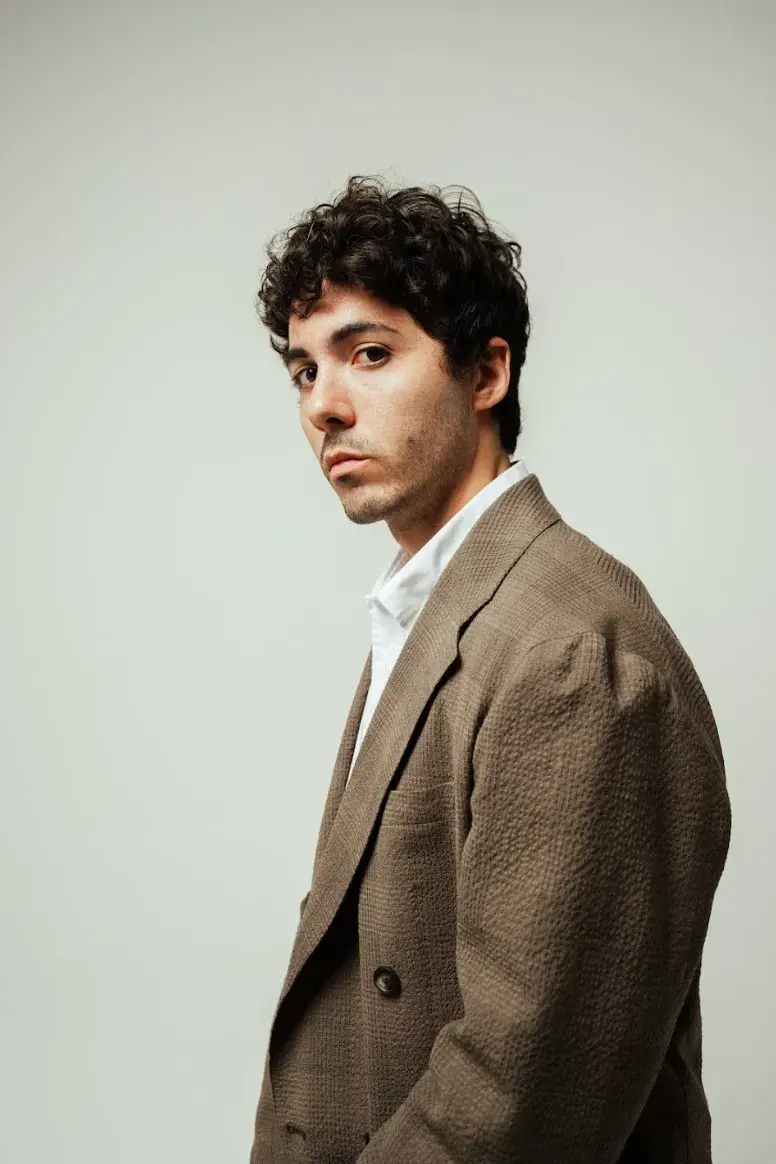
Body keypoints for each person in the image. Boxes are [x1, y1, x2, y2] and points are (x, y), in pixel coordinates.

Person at [247, 175, 731, 1163]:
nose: (324, 406)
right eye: (303, 371)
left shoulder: (572, 651)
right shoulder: (433, 606)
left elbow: (523, 1097)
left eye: (369, 354)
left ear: (486, 373)